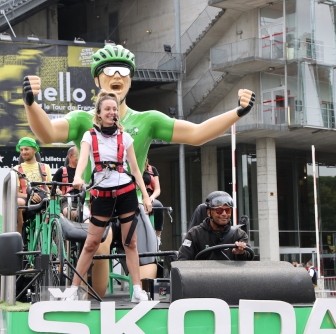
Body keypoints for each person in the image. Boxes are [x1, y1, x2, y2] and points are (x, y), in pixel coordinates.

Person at [22, 44, 255, 287]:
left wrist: (237, 112)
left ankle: (139, 294)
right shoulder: (83, 120)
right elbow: (47, 133)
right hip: (96, 201)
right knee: (99, 252)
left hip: (130, 202)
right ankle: (89, 298)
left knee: (146, 274)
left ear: (130, 80)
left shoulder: (147, 120)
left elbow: (197, 134)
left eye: (123, 71)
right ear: (96, 79)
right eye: (110, 70)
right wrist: (31, 103)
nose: (116, 76)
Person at [71, 90, 152, 303]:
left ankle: (137, 289)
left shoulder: (125, 137)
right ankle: (73, 289)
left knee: (130, 242)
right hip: (101, 195)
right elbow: (82, 162)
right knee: (91, 244)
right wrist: (78, 177)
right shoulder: (89, 136)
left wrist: (145, 196)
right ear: (98, 113)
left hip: (126, 192)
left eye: (114, 109)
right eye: (107, 108)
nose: (112, 112)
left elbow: (135, 170)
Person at [177, 191, 252, 261]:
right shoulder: (194, 234)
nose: (224, 214)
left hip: (230, 275)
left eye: (227, 210)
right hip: (201, 274)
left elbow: (249, 261)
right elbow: (182, 260)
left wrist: (241, 253)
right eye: (219, 210)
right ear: (209, 212)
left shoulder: (239, 235)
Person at [13, 137, 52, 233]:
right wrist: (30, 195)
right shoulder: (16, 168)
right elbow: (15, 193)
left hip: (43, 198)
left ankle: (58, 241)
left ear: (34, 149)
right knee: (18, 203)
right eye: (21, 150)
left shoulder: (45, 167)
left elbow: (50, 188)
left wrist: (57, 191)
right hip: (26, 199)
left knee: (59, 210)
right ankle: (19, 239)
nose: (23, 152)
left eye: (26, 149)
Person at [52, 146, 80, 220]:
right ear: (70, 156)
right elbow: (51, 186)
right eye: (78, 155)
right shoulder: (62, 171)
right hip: (69, 200)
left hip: (85, 200)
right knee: (71, 212)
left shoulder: (86, 172)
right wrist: (56, 190)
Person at [143, 158, 164, 241]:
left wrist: (152, 197)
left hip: (149, 196)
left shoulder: (152, 169)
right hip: (134, 196)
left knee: (158, 206)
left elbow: (157, 189)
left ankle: (158, 237)